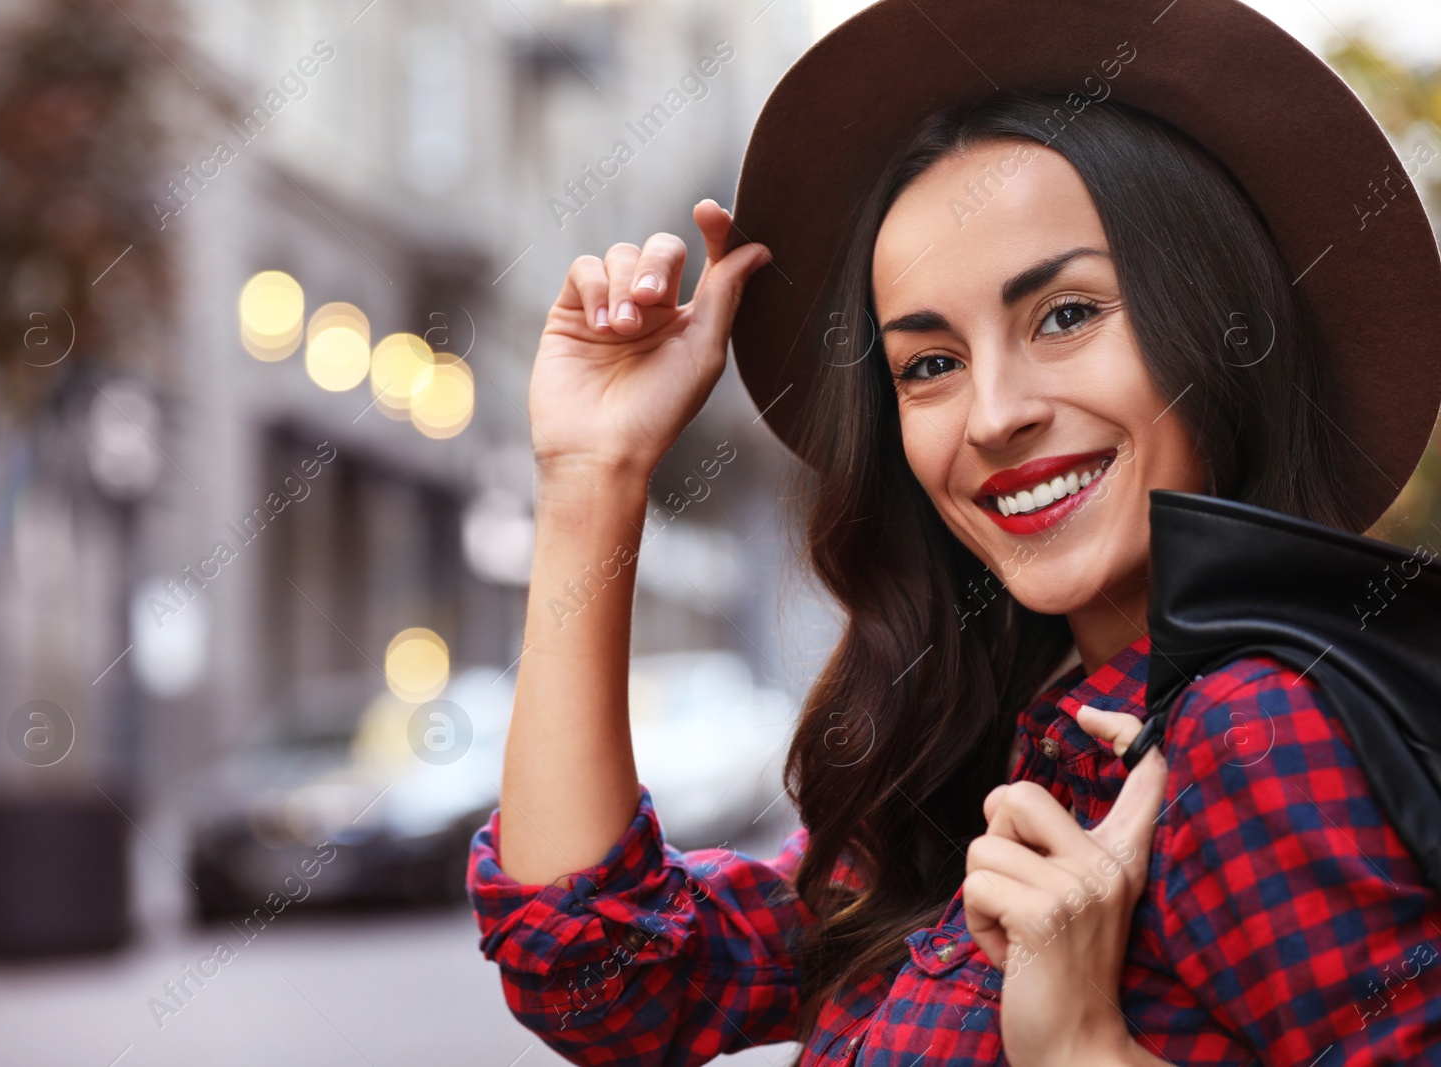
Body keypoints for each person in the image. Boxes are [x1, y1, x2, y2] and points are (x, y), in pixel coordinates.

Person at [467, 2, 1441, 1064]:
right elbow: (609, 978)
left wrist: (1080, 1047)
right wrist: (591, 474)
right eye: (927, 364)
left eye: (1066, 314)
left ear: (1217, 329)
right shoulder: (1001, 764)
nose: (992, 414)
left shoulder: (1249, 735)